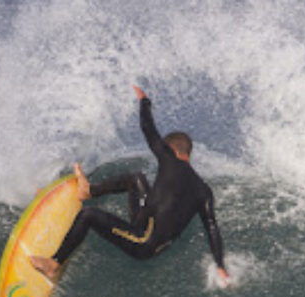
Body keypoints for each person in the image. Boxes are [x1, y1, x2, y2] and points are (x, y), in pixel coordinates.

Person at [31, 85, 230, 286]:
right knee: (135, 179)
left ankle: (54, 263)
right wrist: (220, 265)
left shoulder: (169, 159)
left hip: (144, 241)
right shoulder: (204, 190)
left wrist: (144, 102)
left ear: (171, 149)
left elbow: (148, 129)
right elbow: (212, 227)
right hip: (152, 236)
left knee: (89, 215)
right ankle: (89, 190)